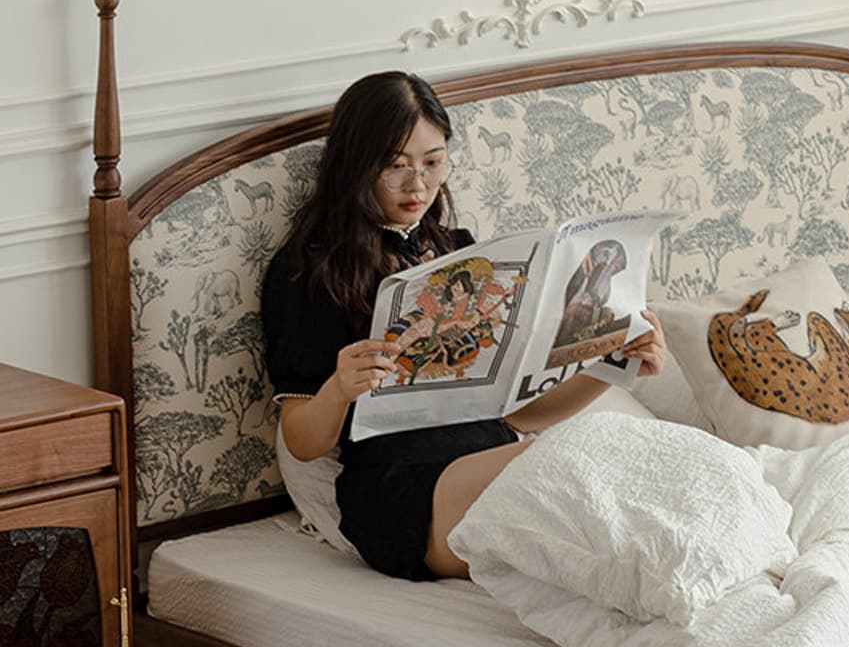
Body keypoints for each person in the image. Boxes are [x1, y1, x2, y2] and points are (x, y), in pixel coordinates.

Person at [262, 71, 665, 582]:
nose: (419, 185)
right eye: (395, 167)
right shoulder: (309, 272)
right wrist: (339, 389)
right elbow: (301, 441)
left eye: (433, 162)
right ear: (355, 164)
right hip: (402, 488)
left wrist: (612, 365)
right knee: (580, 482)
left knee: (629, 470)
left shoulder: (458, 252)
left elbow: (521, 415)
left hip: (491, 450)